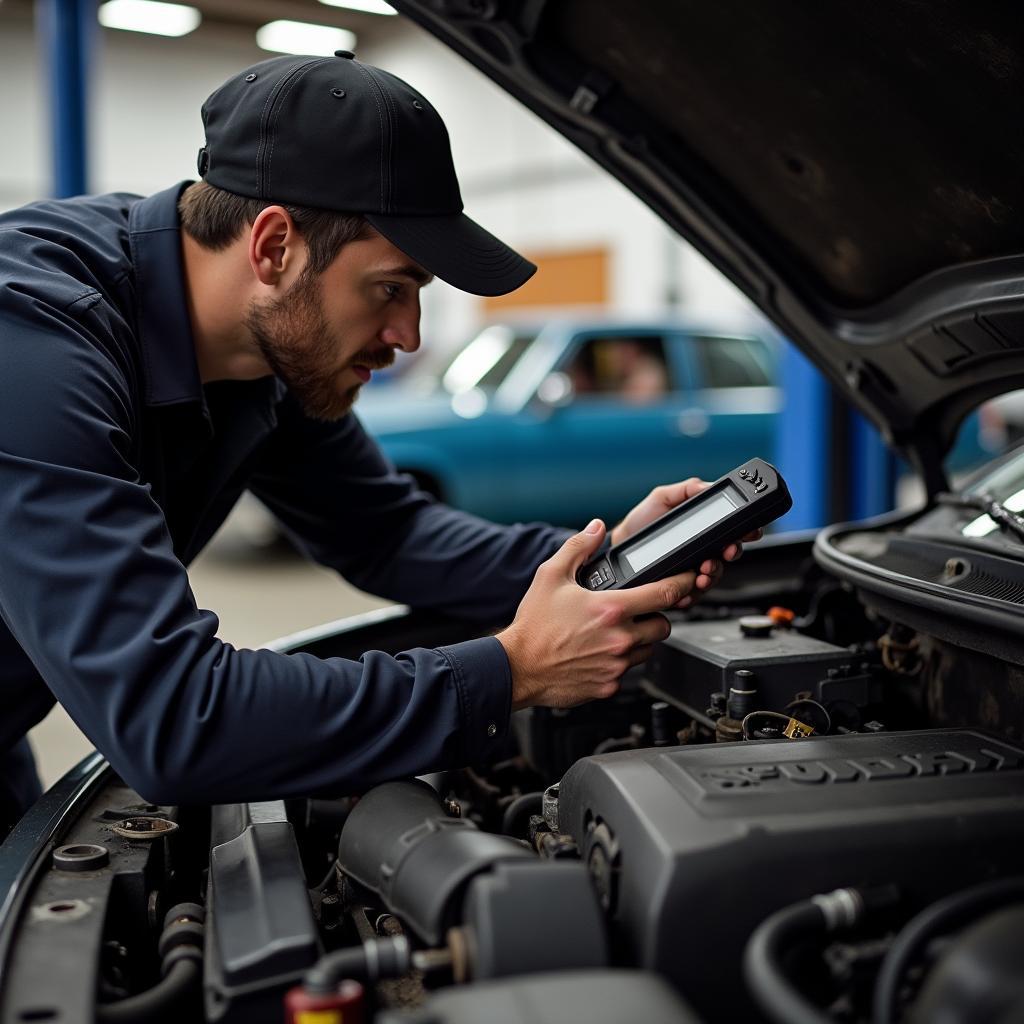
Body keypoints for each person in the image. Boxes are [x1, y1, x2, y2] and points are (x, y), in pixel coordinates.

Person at [0, 52, 754, 839]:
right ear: (273, 247)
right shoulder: (30, 346)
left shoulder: (268, 344)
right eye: (392, 289)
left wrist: (602, 562)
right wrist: (513, 670)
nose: (408, 336)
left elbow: (388, 531)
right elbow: (176, 718)